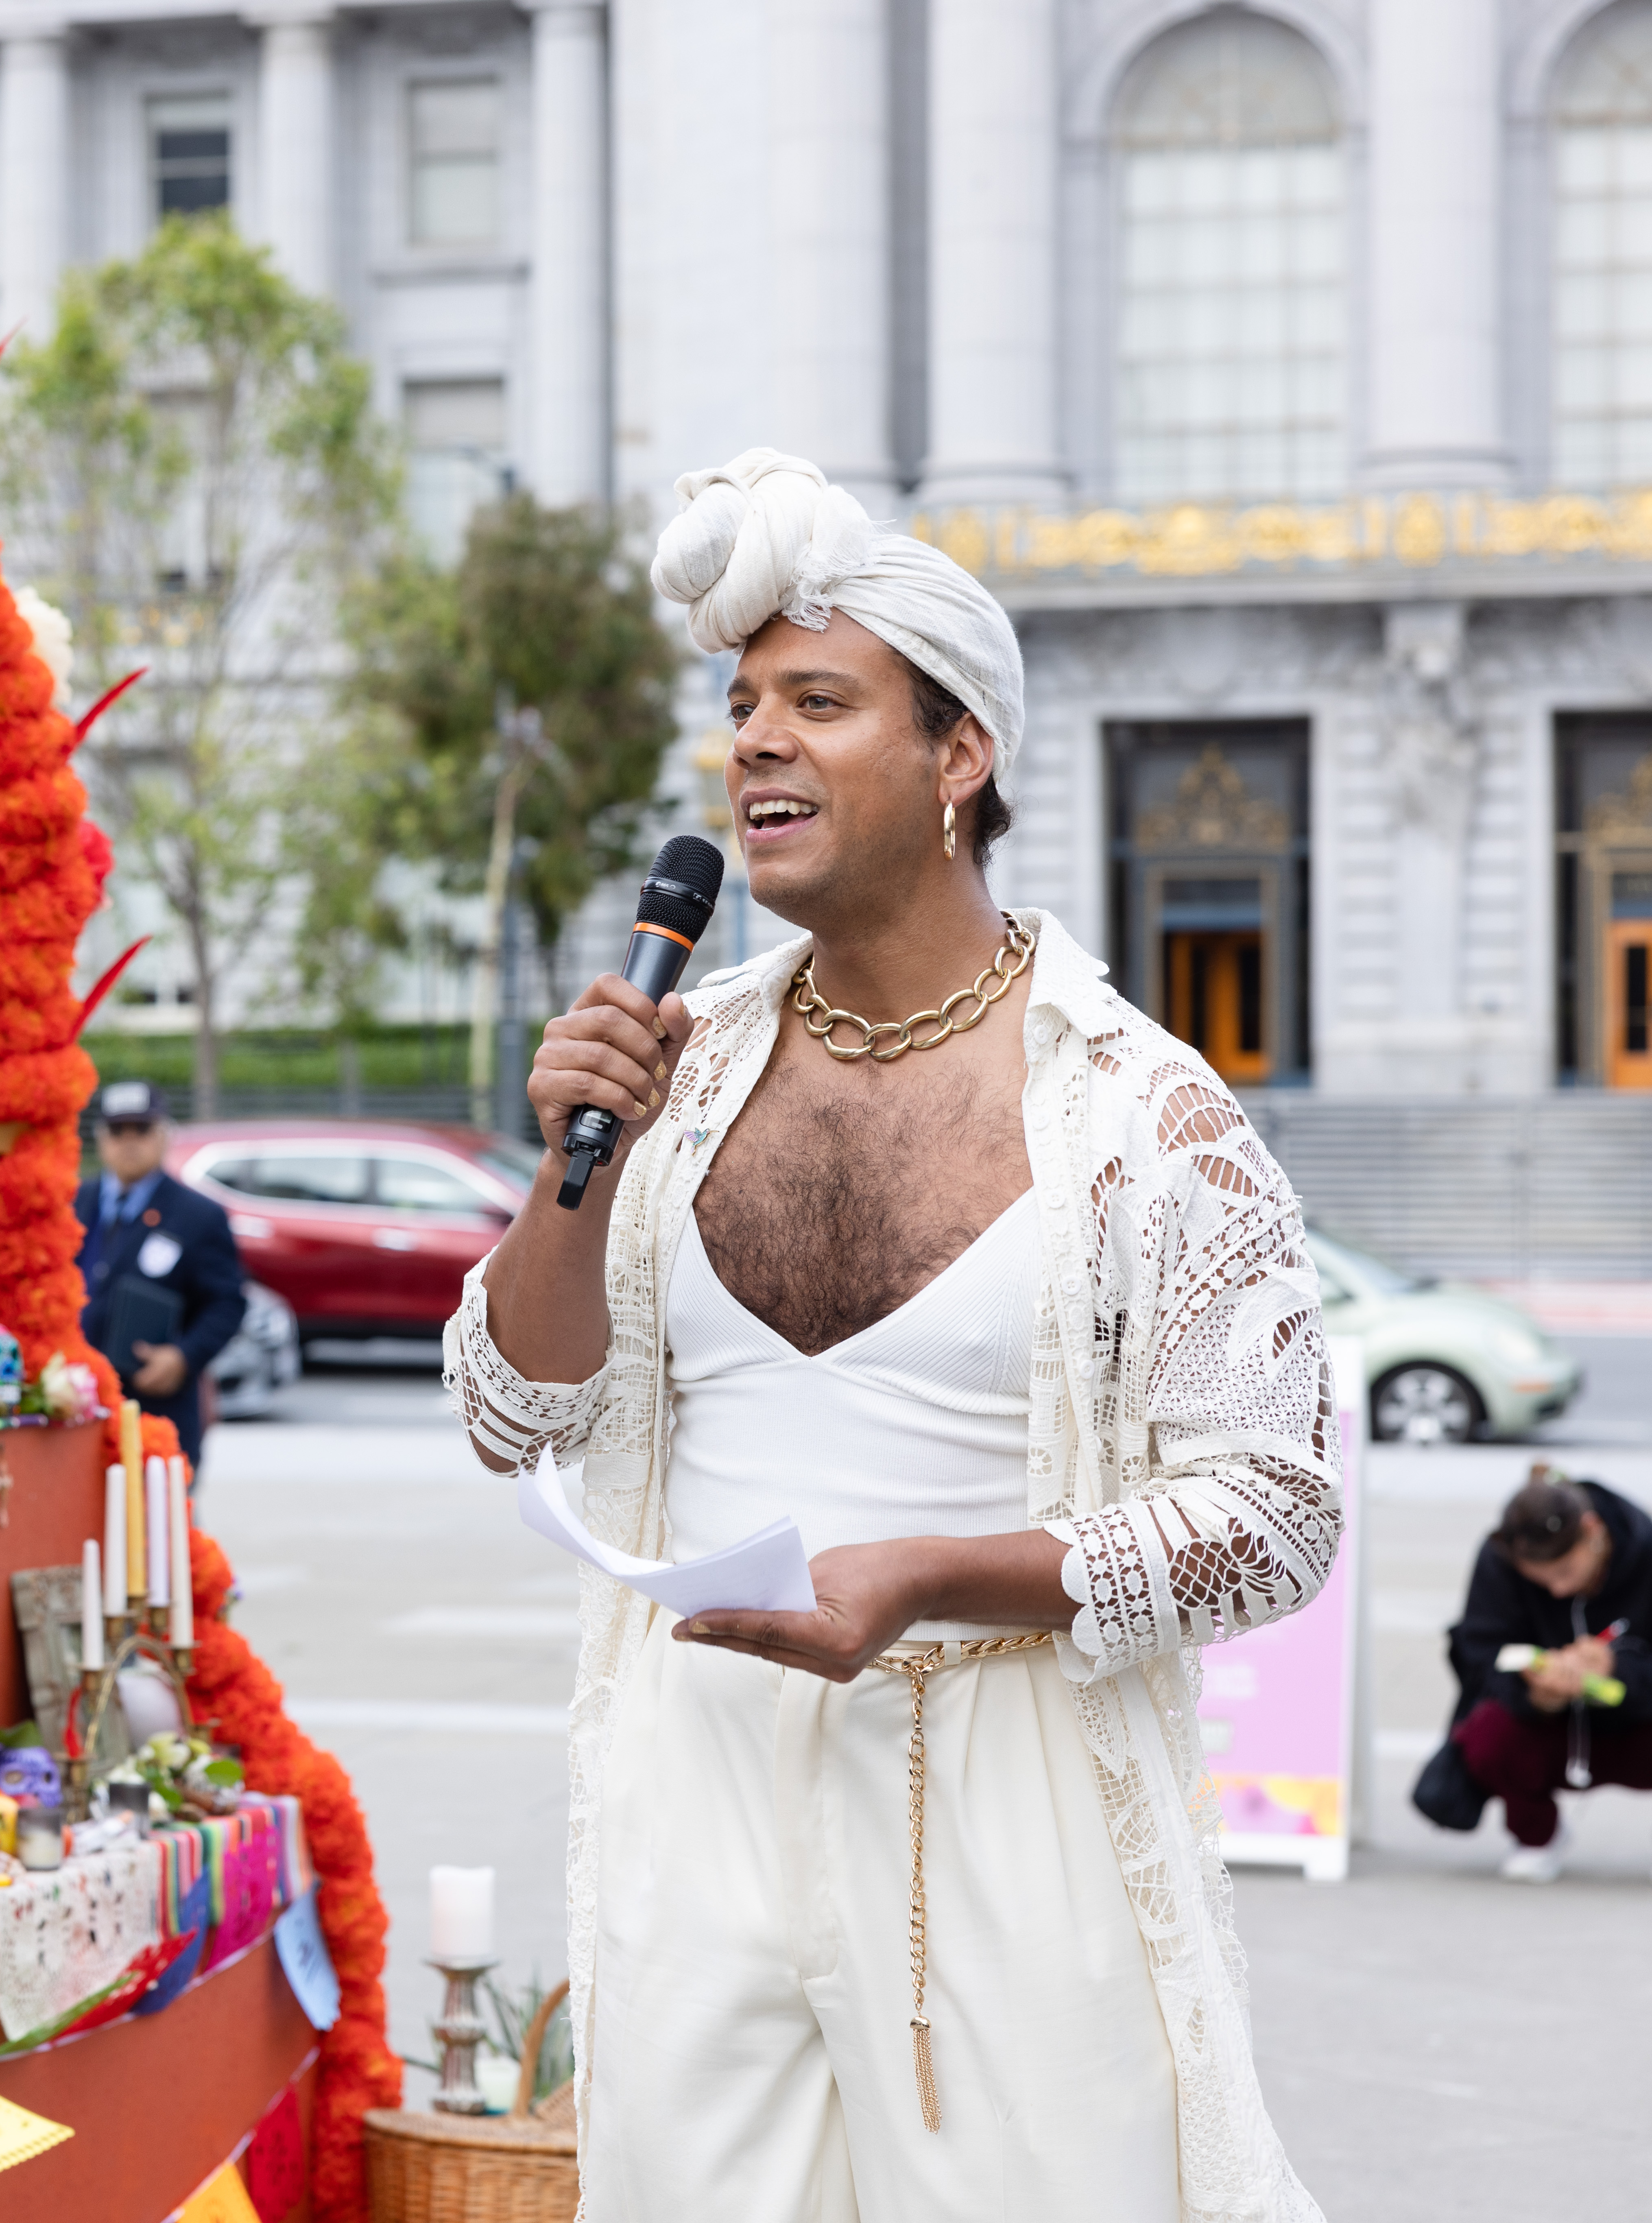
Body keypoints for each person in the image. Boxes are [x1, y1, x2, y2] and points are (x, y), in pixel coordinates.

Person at [445, 448, 1332, 2221]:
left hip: (1004, 1792)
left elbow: (1279, 1515)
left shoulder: (1145, 1116)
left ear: (958, 757)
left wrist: (923, 1574)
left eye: (818, 702)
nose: (754, 741)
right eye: (741, 704)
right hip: (694, 1776)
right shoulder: (672, 1073)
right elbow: (511, 1411)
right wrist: (573, 1170)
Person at [1440, 1469, 1652, 1888]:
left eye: (1565, 1571)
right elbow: (1477, 1657)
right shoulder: (1499, 1559)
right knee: (1484, 1733)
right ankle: (1536, 1834)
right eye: (1539, 1578)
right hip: (1548, 1733)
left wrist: (1618, 1670)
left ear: (1592, 1530)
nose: (1555, 1589)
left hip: (1644, 1728)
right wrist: (1534, 1691)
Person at [74, 1078, 249, 1467]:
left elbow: (227, 1303)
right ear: (101, 1138)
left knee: (160, 1524)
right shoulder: (72, 1205)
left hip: (156, 1406)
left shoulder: (198, 1215)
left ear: (165, 1135)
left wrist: (184, 1356)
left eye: (143, 1129)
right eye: (119, 1130)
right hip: (76, 1405)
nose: (130, 1141)